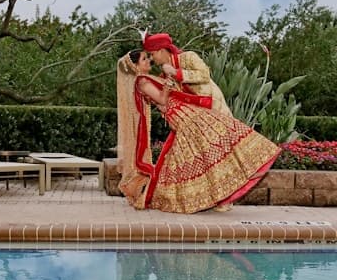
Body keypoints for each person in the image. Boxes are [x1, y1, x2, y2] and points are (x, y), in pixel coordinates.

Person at [116, 50, 280, 214]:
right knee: (218, 139)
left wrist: (172, 79)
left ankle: (229, 187)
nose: (149, 61)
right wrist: (168, 84)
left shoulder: (148, 79)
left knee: (210, 149)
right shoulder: (141, 81)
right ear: (135, 66)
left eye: (148, 57)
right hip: (183, 116)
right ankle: (229, 185)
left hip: (186, 113)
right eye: (144, 59)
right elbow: (162, 100)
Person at [142, 32, 231, 116]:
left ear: (161, 51)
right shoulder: (163, 76)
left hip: (214, 107)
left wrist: (176, 73)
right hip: (194, 116)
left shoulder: (188, 57)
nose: (151, 58)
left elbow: (205, 75)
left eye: (152, 54)